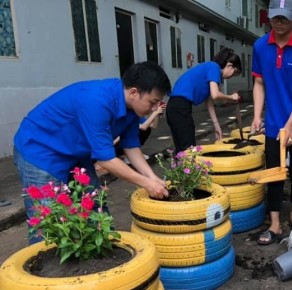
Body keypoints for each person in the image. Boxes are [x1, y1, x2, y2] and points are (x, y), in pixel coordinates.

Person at [14, 61, 172, 242]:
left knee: (94, 205)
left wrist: (153, 177)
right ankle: (44, 265)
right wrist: (145, 183)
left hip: (76, 154)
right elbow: (106, 160)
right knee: (48, 218)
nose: (154, 109)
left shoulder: (131, 109)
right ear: (134, 93)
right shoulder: (97, 100)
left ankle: (104, 254)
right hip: (41, 150)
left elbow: (131, 147)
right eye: (152, 102)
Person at [251, 0, 292, 245]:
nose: (278, 23)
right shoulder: (260, 46)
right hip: (272, 123)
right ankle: (275, 225)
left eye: (284, 18)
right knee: (274, 174)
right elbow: (259, 83)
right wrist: (257, 115)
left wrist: (290, 125)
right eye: (274, 18)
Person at [166, 48, 242, 153]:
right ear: (229, 65)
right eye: (234, 72)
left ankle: (180, 168)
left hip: (175, 107)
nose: (232, 76)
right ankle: (187, 169)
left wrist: (216, 126)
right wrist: (231, 97)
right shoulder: (214, 67)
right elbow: (215, 95)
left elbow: (209, 101)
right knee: (188, 149)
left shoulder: (210, 70)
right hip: (180, 107)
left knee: (182, 149)